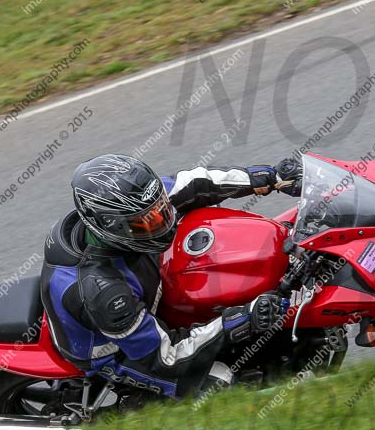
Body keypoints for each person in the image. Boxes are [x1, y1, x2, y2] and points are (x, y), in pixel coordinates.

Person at [40, 153, 302, 399]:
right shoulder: (104, 292)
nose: (163, 223)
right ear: (110, 226)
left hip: (146, 293)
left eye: (162, 210)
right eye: (147, 223)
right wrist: (239, 320)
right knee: (223, 384)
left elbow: (195, 183)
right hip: (122, 352)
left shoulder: (137, 207)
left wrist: (269, 177)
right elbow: (165, 356)